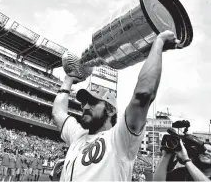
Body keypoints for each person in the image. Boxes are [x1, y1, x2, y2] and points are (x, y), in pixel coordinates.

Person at [52, 30, 180, 181]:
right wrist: (68, 80)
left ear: (111, 110)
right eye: (84, 102)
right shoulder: (77, 135)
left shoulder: (120, 139)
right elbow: (58, 114)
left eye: (93, 102)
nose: (85, 107)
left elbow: (143, 95)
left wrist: (158, 43)